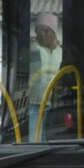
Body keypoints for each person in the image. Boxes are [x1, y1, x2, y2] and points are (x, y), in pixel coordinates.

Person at [27, 12, 62, 140]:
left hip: (53, 104)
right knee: (33, 139)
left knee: (49, 139)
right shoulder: (32, 48)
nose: (42, 35)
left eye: (46, 31)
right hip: (34, 102)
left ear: (54, 33)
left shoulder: (61, 51)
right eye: (39, 31)